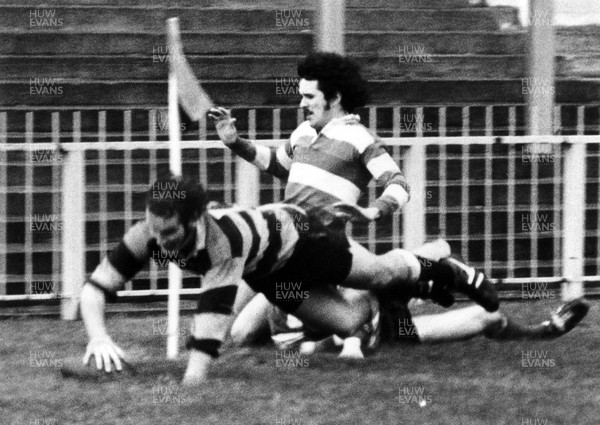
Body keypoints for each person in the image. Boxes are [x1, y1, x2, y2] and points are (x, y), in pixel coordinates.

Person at [80, 176, 499, 386]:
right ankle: (416, 286)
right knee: (350, 322)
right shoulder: (147, 232)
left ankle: (440, 263)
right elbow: (95, 289)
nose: (159, 241)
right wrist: (98, 337)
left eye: (168, 233)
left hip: (306, 240)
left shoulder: (222, 242)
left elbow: (209, 331)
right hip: (271, 276)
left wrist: (190, 389)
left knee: (381, 272)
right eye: (154, 230)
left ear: (196, 220)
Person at [209, 52, 498, 356]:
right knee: (243, 333)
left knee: (372, 285)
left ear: (333, 97)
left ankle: (435, 274)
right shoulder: (302, 133)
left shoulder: (360, 138)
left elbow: (398, 184)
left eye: (309, 97)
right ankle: (410, 290)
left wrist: (373, 211)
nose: (301, 104)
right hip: (287, 245)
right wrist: (235, 142)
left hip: (323, 249)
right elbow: (278, 165)